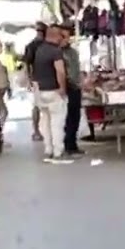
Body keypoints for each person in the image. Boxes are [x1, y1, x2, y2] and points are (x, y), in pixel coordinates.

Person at [31, 23, 72, 164]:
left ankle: (48, 149)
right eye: (61, 35)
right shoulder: (56, 52)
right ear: (55, 36)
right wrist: (62, 88)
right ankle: (58, 152)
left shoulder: (39, 50)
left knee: (46, 122)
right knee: (57, 123)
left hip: (41, 91)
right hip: (54, 90)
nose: (62, 38)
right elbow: (60, 71)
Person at [59, 23, 85, 157]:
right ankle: (68, 145)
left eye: (68, 37)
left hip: (76, 87)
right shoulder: (57, 54)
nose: (66, 39)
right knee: (67, 117)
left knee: (75, 116)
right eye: (63, 36)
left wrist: (82, 82)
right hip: (66, 87)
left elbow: (76, 69)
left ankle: (73, 144)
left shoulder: (72, 52)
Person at [22, 23, 47, 142]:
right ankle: (38, 130)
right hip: (41, 79)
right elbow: (27, 64)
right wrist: (28, 79)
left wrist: (29, 79)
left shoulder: (31, 46)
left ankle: (37, 131)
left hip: (37, 79)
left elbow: (26, 64)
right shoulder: (36, 46)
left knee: (37, 106)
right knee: (40, 106)